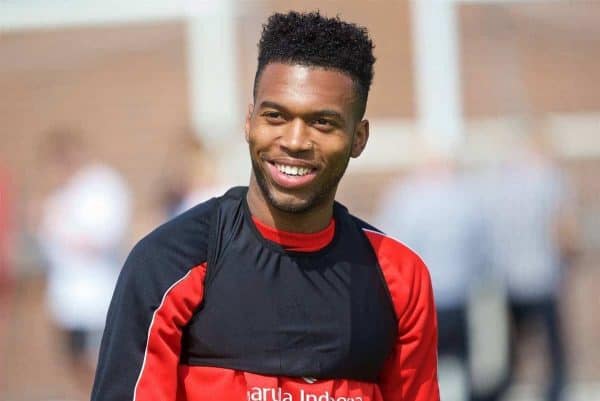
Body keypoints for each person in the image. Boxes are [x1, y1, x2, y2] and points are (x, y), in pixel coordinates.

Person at [92, 11, 439, 401]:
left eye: (322, 123)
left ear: (358, 138)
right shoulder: (169, 262)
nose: (294, 140)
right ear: (249, 121)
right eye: (276, 116)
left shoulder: (399, 277)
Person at [37, 129, 132, 396]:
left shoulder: (100, 187)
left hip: (97, 301)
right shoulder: (56, 198)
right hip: (67, 302)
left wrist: (65, 232)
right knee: (77, 366)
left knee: (100, 367)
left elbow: (102, 238)